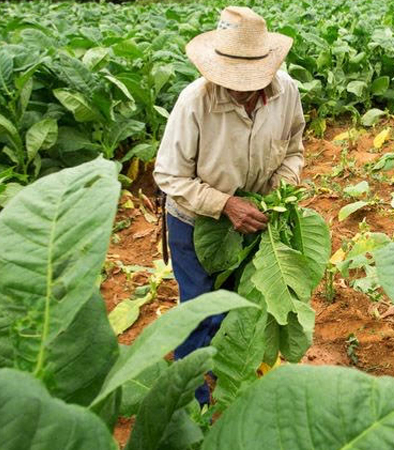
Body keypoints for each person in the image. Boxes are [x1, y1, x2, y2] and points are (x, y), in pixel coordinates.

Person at [153, 6, 305, 405]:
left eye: (250, 80)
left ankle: (233, 376)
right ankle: (194, 400)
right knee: (201, 309)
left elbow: (294, 149)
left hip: (255, 219)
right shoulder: (194, 103)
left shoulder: (286, 92)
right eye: (232, 80)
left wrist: (280, 189)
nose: (240, 88)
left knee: (242, 305)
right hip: (195, 220)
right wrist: (225, 204)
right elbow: (169, 177)